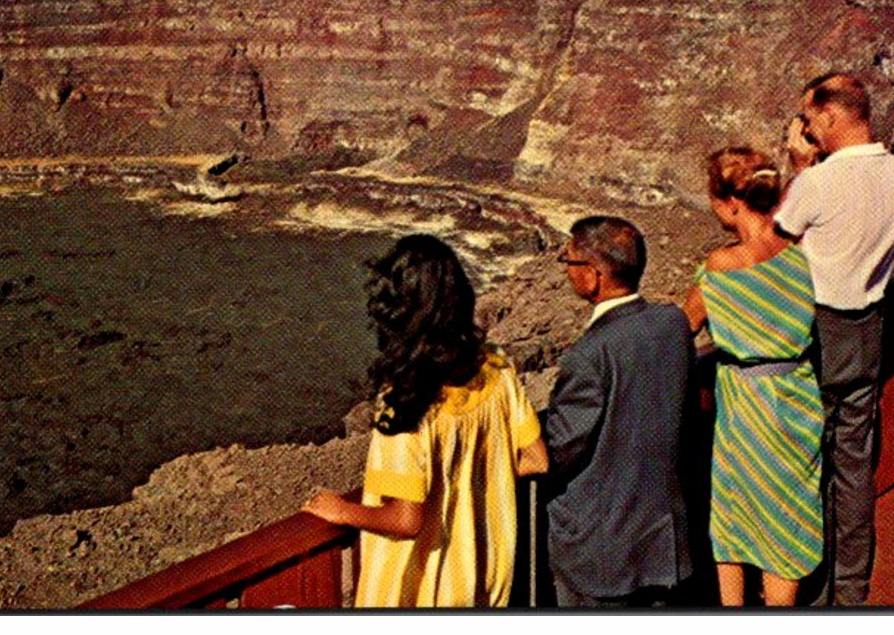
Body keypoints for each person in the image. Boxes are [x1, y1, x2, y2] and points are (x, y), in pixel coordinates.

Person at [302, 233, 548, 607]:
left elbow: (406, 519)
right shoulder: (497, 369)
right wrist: (471, 473)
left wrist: (340, 510)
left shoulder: (406, 402)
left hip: (420, 592)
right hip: (482, 580)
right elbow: (536, 459)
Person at [774, 72, 894, 606]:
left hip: (818, 330)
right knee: (854, 467)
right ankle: (851, 587)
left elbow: (774, 244)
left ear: (832, 117)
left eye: (810, 119)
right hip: (870, 328)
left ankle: (807, 585)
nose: (806, 129)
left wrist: (798, 168)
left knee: (804, 463)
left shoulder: (816, 182)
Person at [683, 146, 823, 606]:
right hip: (798, 397)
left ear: (732, 204)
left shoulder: (720, 269)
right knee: (789, 508)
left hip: (747, 406)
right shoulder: (799, 255)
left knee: (734, 509)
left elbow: (683, 328)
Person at [544, 215, 694, 607]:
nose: (567, 270)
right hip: (660, 538)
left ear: (593, 276)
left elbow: (560, 448)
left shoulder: (589, 355)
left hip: (600, 550)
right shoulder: (673, 323)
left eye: (570, 261)